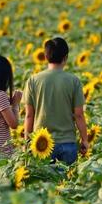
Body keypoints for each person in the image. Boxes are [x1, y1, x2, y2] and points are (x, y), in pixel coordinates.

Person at [23, 37, 89, 165]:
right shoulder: (73, 81)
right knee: (67, 182)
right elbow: (79, 115)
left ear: (46, 57)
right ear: (66, 57)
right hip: (67, 143)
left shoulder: (33, 80)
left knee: (43, 183)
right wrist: (84, 139)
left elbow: (29, 115)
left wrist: (27, 142)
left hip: (40, 144)